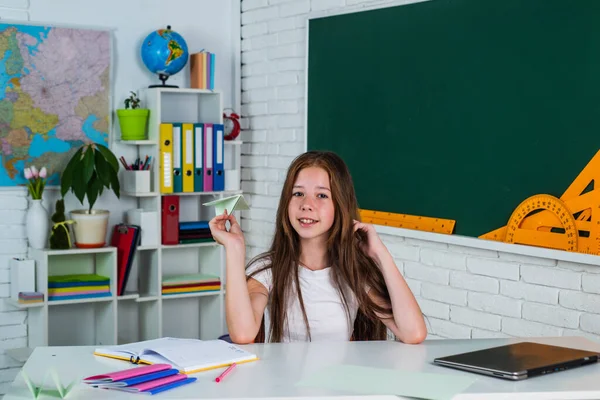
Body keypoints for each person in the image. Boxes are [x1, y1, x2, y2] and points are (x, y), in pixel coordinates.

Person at [209, 150, 426, 344]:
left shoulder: (354, 272)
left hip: (336, 385)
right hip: (283, 385)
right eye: (298, 193)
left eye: (322, 195)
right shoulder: (268, 270)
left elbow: (413, 333)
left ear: (340, 205)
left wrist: (380, 255)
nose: (306, 204)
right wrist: (234, 249)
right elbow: (243, 334)